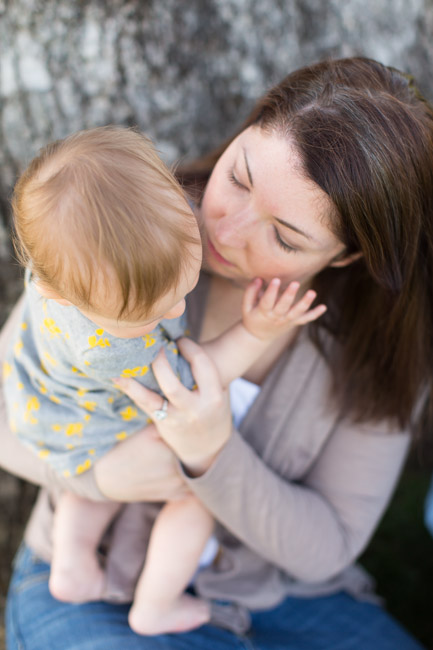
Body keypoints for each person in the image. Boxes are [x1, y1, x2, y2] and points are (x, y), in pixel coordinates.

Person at [2, 56, 432, 649]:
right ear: (242, 131)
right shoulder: (130, 229)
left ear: (345, 256)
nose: (223, 232)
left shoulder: (379, 344)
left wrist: (213, 458)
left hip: (281, 600)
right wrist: (100, 477)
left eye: (284, 236)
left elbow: (327, 545)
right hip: (99, 581)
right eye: (239, 178)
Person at [2, 125, 324, 635]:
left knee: (87, 468)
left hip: (51, 412)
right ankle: (155, 605)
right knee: (196, 499)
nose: (177, 309)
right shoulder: (114, 347)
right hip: (85, 420)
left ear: (176, 193)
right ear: (58, 293)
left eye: (182, 287)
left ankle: (73, 562)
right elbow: (190, 386)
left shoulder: (63, 264)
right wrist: (257, 330)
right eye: (151, 314)